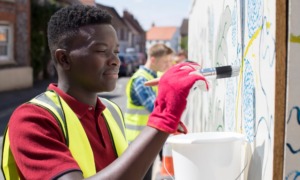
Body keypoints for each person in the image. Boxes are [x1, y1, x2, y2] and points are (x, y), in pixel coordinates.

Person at [1, 4, 208, 180]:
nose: (116, 60)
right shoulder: (32, 120)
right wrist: (163, 118)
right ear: (64, 59)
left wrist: (157, 134)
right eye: (102, 51)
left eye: (116, 51)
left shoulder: (111, 110)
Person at [124, 44, 173, 179]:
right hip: (139, 140)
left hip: (149, 138)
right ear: (153, 60)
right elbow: (156, 108)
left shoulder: (154, 76)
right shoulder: (141, 80)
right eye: (165, 61)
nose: (168, 64)